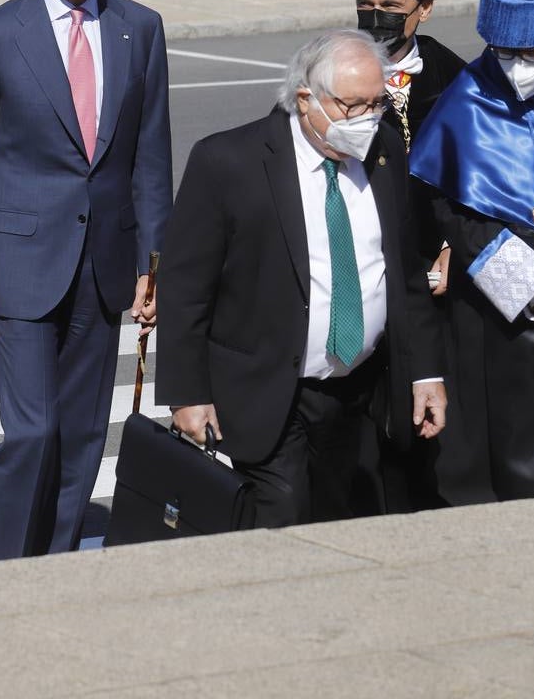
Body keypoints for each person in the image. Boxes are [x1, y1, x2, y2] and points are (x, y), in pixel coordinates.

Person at [0, 0, 173, 560]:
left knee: (80, 435)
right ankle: (9, 564)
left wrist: (152, 267)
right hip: (18, 269)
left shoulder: (140, 28)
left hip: (103, 266)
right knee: (33, 432)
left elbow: (150, 162)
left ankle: (58, 564)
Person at [155, 29, 445, 529]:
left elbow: (404, 277)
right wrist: (187, 394)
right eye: (354, 106)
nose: (368, 119)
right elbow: (186, 290)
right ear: (307, 99)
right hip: (269, 388)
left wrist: (425, 373)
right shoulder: (229, 162)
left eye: (378, 103)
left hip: (357, 389)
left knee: (346, 522)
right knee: (283, 519)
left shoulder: (385, 155)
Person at [411, 0, 534, 501]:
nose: (520, 62)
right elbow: (449, 212)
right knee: (518, 473)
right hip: (506, 325)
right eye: (507, 51)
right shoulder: (469, 97)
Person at [350, 0, 467, 506]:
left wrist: (454, 250)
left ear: (424, 8)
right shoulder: (328, 68)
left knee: (422, 435)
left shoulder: (458, 81)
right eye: (364, 6)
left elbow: (476, 186)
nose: (376, 20)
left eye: (391, 9)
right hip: (352, 274)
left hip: (429, 282)